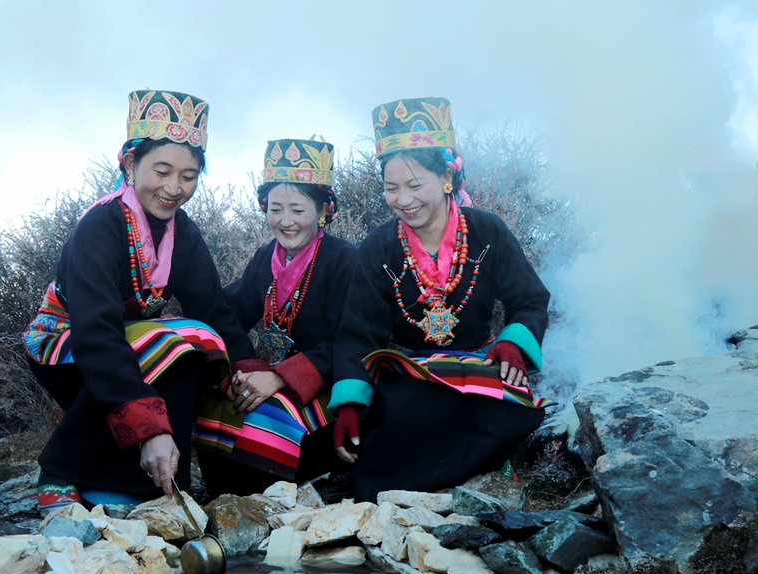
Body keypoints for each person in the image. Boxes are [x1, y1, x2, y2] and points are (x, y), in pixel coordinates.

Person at [23, 90, 260, 513]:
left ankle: (161, 489)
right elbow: (96, 331)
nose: (174, 189)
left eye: (188, 176)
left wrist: (251, 372)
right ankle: (62, 471)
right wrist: (148, 427)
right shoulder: (100, 226)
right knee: (173, 343)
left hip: (127, 341)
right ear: (131, 165)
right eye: (162, 171)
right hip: (65, 343)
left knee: (199, 343)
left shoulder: (182, 231)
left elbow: (212, 309)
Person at [329, 97, 556, 503]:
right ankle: (408, 498)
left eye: (415, 186)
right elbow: (359, 332)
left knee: (514, 410)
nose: (402, 199)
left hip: (480, 364)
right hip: (412, 371)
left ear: (447, 179)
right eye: (391, 188)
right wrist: (349, 403)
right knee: (401, 410)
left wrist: (511, 346)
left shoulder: (487, 231)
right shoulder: (378, 247)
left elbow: (530, 299)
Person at [195, 137, 358, 499]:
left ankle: (267, 492)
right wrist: (245, 366)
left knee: (271, 414)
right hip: (277, 378)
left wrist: (282, 377)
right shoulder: (265, 258)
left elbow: (351, 342)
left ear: (323, 210)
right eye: (275, 209)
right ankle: (229, 496)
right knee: (214, 397)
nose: (285, 222)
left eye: (298, 210)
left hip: (329, 383)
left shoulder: (344, 261)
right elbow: (228, 312)